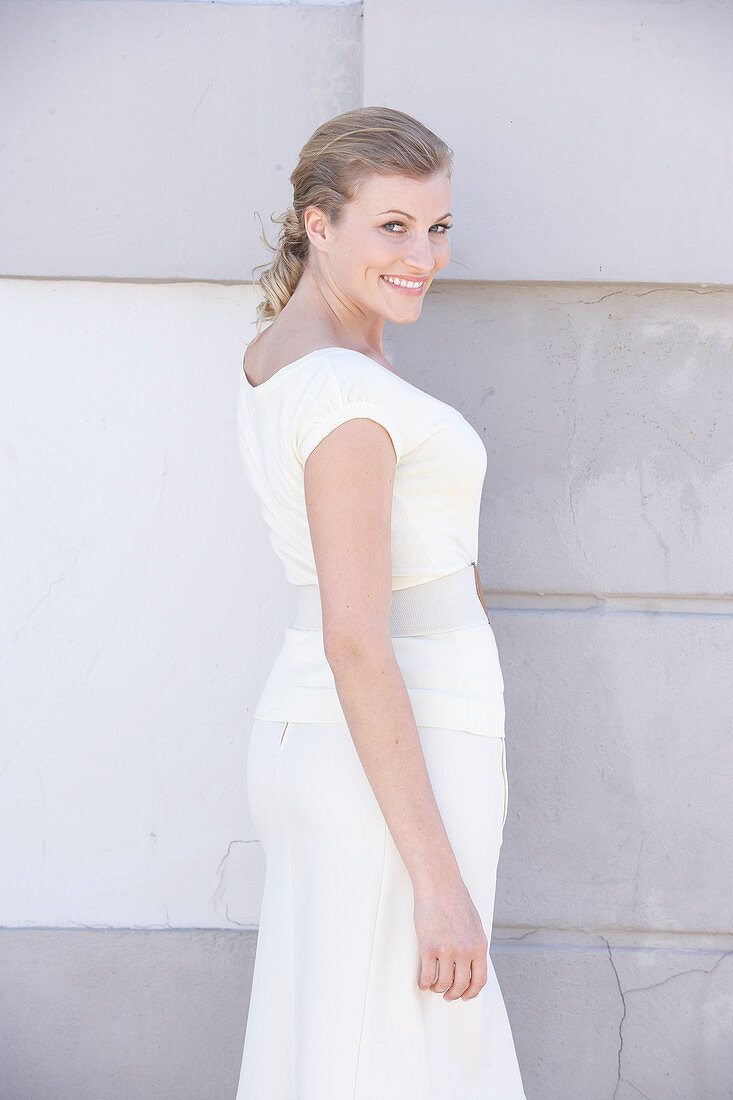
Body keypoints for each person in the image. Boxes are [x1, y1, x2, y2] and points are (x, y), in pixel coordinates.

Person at [234, 105, 526, 1100]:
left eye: (437, 226)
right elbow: (357, 638)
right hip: (388, 751)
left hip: (337, 743)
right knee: (408, 1059)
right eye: (392, 226)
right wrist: (438, 882)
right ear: (319, 225)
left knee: (343, 1048)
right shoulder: (345, 393)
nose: (425, 255)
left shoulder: (300, 356)